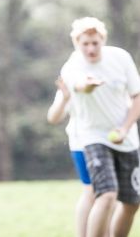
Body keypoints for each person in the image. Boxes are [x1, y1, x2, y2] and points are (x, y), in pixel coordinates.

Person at [59, 17, 140, 237]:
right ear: (77, 43)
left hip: (126, 137)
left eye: (95, 42)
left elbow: (137, 96)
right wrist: (87, 85)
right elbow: (79, 86)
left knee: (132, 203)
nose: (91, 48)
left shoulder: (121, 58)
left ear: (103, 39)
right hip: (92, 136)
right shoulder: (72, 66)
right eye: (85, 43)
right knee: (106, 195)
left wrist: (124, 128)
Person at [48, 77, 106, 237]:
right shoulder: (72, 77)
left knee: (109, 196)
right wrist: (65, 98)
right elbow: (53, 117)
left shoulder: (112, 71)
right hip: (83, 143)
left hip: (114, 144)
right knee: (92, 192)